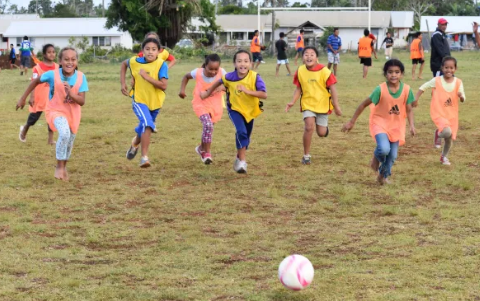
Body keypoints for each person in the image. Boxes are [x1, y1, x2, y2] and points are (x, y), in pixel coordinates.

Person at [16, 47, 89, 181]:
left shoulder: (81, 77)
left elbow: (82, 101)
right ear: (60, 61)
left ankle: (64, 166)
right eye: (66, 59)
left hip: (73, 114)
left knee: (69, 141)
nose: (69, 62)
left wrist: (71, 94)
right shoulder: (53, 74)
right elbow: (36, 81)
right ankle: (59, 166)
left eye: (73, 59)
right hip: (55, 111)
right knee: (64, 133)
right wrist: (23, 98)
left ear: (77, 62)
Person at [342, 59, 416, 185]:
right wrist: (351, 122)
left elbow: (409, 110)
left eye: (397, 72)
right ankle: (376, 158)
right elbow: (363, 105)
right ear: (385, 74)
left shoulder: (407, 90)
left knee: (392, 156)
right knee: (383, 149)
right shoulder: (380, 90)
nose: (393, 75)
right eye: (390, 72)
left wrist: (412, 126)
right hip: (380, 123)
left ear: (401, 74)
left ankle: (382, 176)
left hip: (396, 126)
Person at [200, 50, 267, 174]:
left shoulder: (255, 77)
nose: (243, 64)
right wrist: (207, 93)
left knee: (246, 138)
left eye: (246, 61)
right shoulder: (229, 77)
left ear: (251, 63)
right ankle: (242, 161)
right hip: (235, 110)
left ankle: (238, 158)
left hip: (250, 111)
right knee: (241, 132)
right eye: (239, 61)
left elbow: (264, 94)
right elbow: (218, 82)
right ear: (234, 63)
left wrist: (248, 91)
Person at [285, 46, 342, 165]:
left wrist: (336, 106)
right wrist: (292, 101)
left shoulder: (325, 71)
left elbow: (333, 89)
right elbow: (298, 88)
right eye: (306, 54)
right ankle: (306, 156)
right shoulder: (300, 70)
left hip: (322, 105)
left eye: (312, 54)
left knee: (321, 133)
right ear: (302, 58)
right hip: (308, 104)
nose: (309, 56)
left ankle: (324, 130)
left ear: (317, 58)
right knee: (309, 127)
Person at [121, 38, 168, 168]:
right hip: (139, 101)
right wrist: (123, 83)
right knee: (147, 124)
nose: (150, 52)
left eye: (153, 49)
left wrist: (146, 77)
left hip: (156, 103)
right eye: (147, 49)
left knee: (144, 128)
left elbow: (164, 86)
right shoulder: (134, 61)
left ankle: (135, 143)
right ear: (142, 51)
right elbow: (124, 64)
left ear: (159, 51)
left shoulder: (161, 64)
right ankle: (144, 158)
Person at [413, 57, 465, 165]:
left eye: (451, 68)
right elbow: (423, 87)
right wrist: (416, 98)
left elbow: (463, 97)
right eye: (446, 67)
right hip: (439, 113)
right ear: (442, 68)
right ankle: (438, 133)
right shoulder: (437, 81)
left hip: (452, 115)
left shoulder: (458, 82)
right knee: (446, 132)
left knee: (449, 139)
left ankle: (444, 157)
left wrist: (461, 97)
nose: (448, 70)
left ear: (455, 69)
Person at [178, 54, 226, 164]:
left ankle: (201, 148)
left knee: (208, 128)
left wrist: (219, 88)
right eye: (210, 69)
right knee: (208, 125)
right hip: (200, 103)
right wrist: (182, 90)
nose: (213, 72)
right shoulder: (198, 72)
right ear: (205, 66)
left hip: (215, 104)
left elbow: (229, 84)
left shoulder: (222, 72)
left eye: (216, 69)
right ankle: (207, 153)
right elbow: (186, 77)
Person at [18, 44, 58, 145]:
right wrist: (32, 96)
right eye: (49, 52)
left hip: (52, 97)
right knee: (33, 118)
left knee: (51, 118)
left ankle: (50, 140)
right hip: (39, 97)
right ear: (44, 54)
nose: (52, 54)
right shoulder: (37, 68)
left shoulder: (57, 67)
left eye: (53, 52)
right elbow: (33, 82)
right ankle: (24, 130)